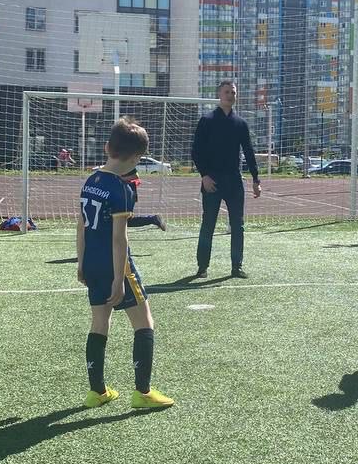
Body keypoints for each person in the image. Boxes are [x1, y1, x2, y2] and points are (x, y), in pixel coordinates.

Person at [77, 118, 174, 410]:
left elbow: (81, 225)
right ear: (136, 158)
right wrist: (119, 279)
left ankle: (97, 392)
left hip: (91, 262)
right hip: (115, 266)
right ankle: (143, 393)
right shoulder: (121, 189)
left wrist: (81, 262)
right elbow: (120, 238)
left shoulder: (91, 180)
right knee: (144, 322)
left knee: (99, 322)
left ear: (108, 147)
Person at [190, 80, 261, 279]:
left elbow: (249, 152)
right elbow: (196, 151)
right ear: (219, 95)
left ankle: (236, 267)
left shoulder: (240, 123)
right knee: (208, 224)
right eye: (227, 92)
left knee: (238, 225)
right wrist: (204, 176)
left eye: (233, 92)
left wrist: (256, 179)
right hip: (212, 181)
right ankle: (202, 267)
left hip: (234, 182)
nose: (230, 95)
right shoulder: (207, 120)